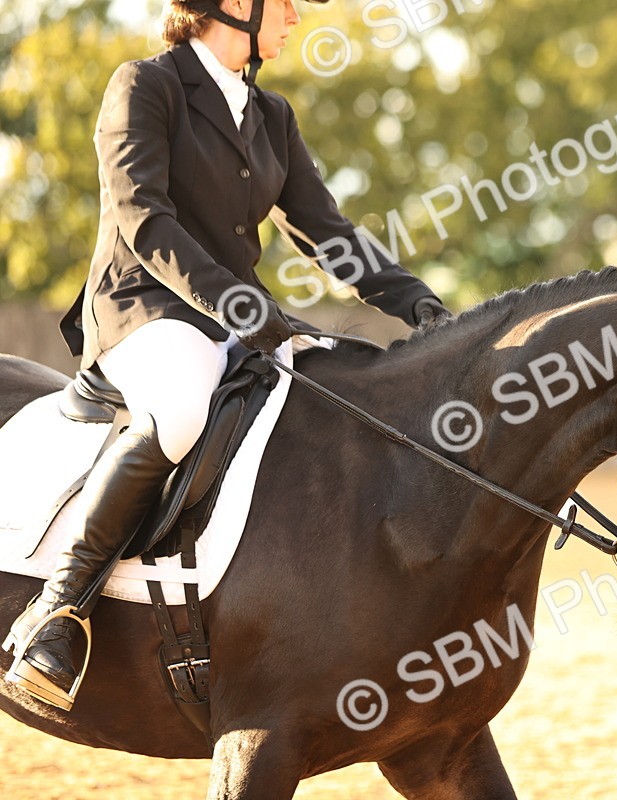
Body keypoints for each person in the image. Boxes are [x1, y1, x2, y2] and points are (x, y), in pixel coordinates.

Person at [2, 0, 450, 710]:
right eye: (288, 1)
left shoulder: (270, 116)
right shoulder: (146, 86)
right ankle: (57, 614)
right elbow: (143, 216)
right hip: (143, 310)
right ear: (237, 5)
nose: (298, 16)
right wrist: (239, 306)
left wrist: (416, 302)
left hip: (235, 319)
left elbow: (327, 230)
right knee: (180, 408)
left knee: (342, 379)